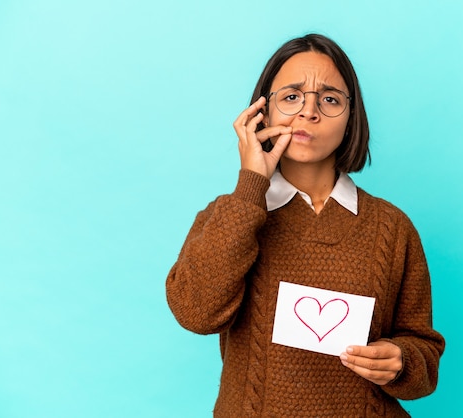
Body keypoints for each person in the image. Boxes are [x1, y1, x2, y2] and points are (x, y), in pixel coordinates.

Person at [166, 34, 445, 417]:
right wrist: (250, 187)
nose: (308, 112)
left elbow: (424, 355)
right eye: (292, 96)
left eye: (329, 99)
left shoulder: (392, 228)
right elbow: (196, 313)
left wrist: (401, 360)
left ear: (351, 118)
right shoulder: (229, 215)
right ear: (262, 111)